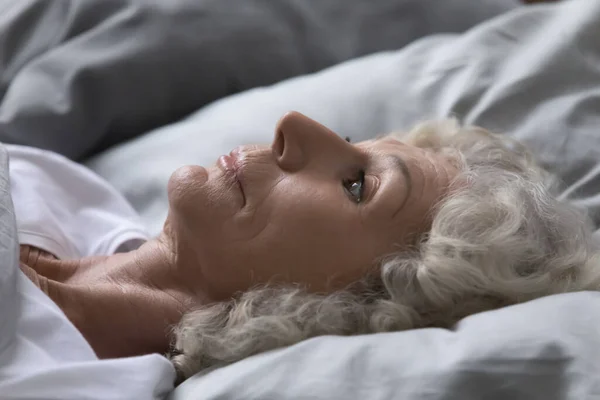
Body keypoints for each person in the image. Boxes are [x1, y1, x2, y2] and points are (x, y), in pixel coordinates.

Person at [9, 112, 599, 390]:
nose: (294, 126)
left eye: (356, 186)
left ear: (354, 311)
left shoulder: (62, 383)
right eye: (348, 143)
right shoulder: (62, 192)